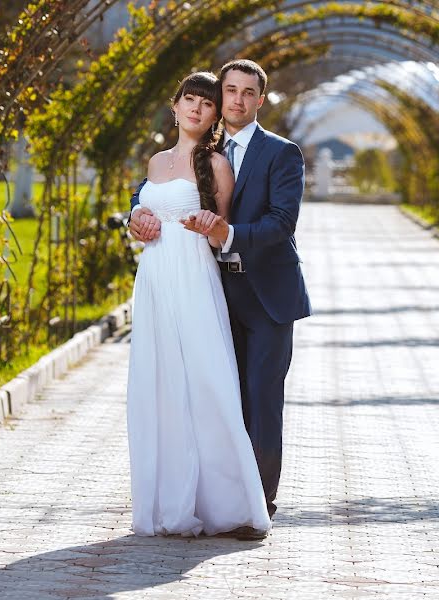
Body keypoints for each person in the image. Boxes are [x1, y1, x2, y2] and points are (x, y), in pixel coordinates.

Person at [130, 60, 311, 541]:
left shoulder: (281, 153)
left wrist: (227, 232)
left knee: (261, 397)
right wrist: (135, 215)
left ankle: (258, 502)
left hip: (267, 294)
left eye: (247, 93)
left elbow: (280, 223)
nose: (236, 100)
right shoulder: (196, 151)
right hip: (212, 292)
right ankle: (209, 496)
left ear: (260, 100)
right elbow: (153, 193)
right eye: (228, 91)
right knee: (215, 396)